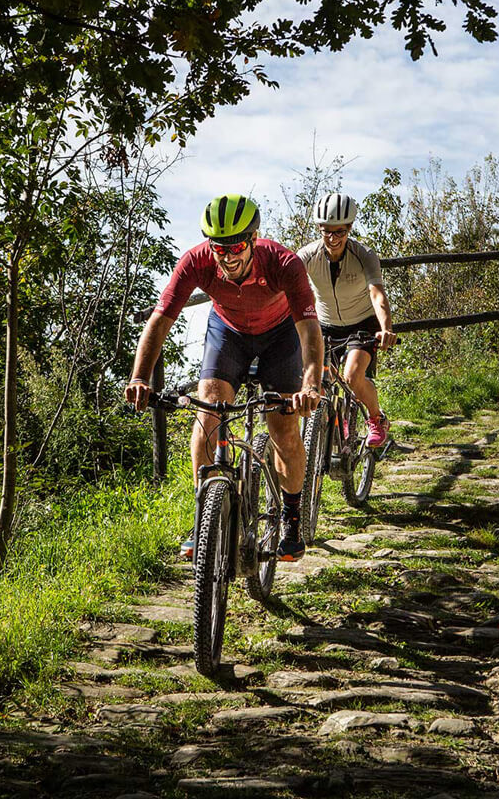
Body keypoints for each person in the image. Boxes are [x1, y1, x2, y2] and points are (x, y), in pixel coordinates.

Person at [125, 194, 324, 562]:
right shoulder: (197, 262)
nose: (228, 257)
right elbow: (160, 321)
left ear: (252, 240)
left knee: (283, 428)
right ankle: (204, 515)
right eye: (220, 248)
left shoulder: (283, 263)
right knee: (206, 421)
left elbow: (310, 330)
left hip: (280, 336)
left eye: (236, 247)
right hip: (228, 334)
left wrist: (311, 384)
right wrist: (140, 377)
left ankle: (292, 516)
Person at [297, 192, 396, 448]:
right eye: (326, 231)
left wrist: (386, 328)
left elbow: (377, 294)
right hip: (325, 325)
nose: (332, 238)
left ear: (350, 228)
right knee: (312, 379)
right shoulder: (308, 255)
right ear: (319, 228)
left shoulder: (364, 254)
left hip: (362, 324)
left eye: (339, 232)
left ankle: (376, 418)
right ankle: (317, 435)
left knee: (352, 377)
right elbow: (288, 286)